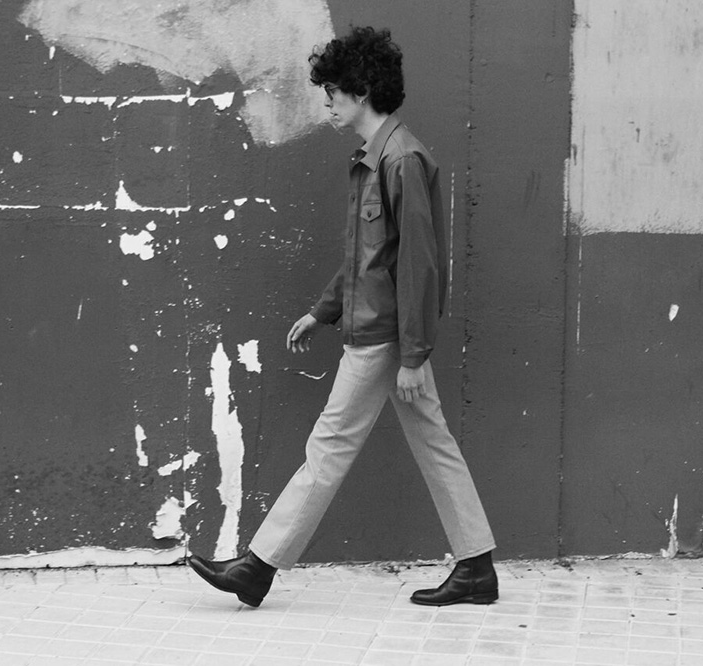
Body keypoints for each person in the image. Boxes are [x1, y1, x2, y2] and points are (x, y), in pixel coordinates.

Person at [188, 26, 497, 608]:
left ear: (361, 90)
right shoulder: (373, 159)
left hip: (383, 339)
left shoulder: (401, 160)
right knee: (433, 441)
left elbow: (419, 268)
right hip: (382, 330)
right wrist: (321, 312)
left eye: (331, 91)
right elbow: (367, 261)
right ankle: (477, 567)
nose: (326, 102)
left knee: (328, 446)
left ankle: (257, 567)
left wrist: (413, 355)